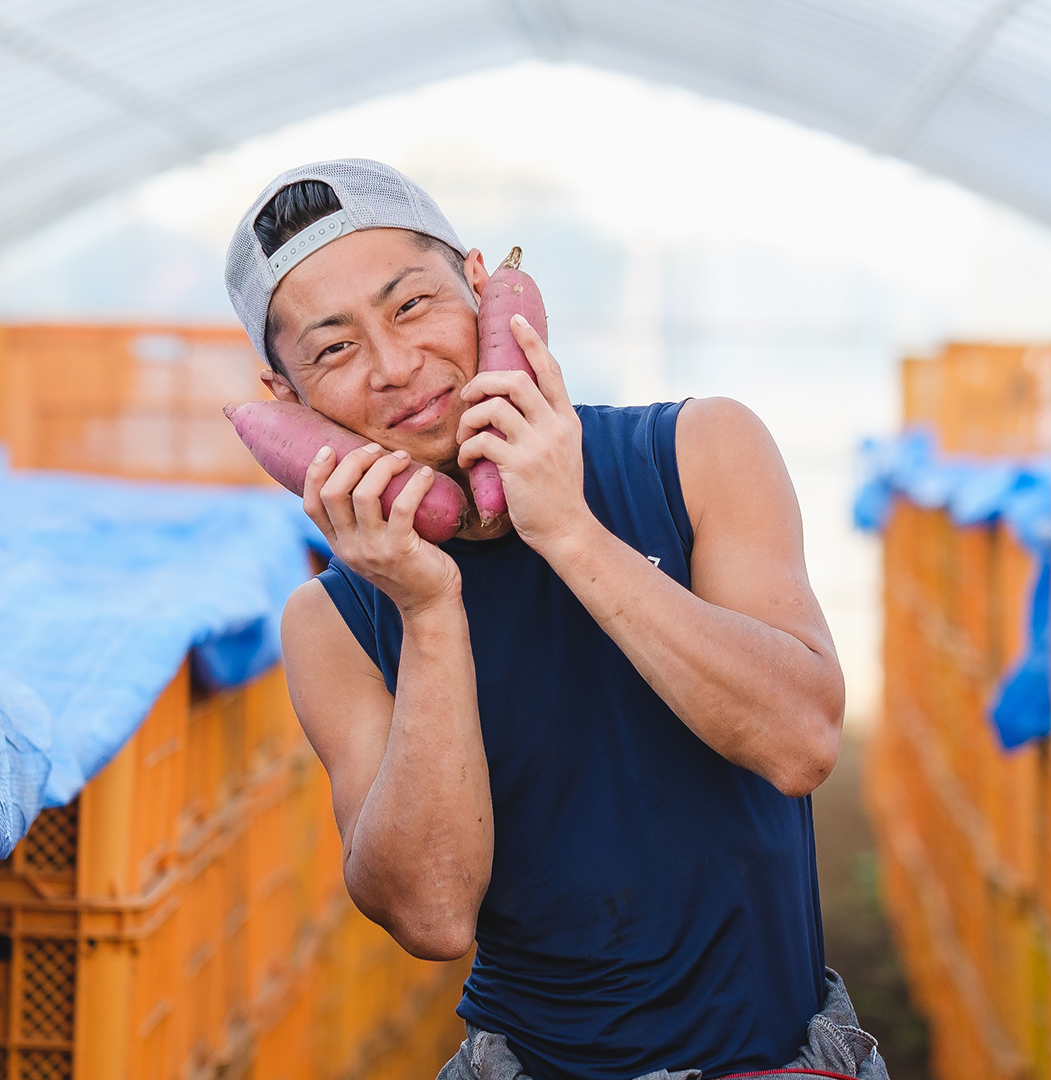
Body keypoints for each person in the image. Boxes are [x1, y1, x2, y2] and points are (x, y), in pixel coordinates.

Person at [224, 159, 885, 1080]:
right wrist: (428, 609)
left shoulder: (697, 450)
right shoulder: (331, 621)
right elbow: (431, 916)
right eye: (334, 349)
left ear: (484, 287)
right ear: (287, 397)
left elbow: (801, 741)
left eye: (413, 305)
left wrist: (568, 530)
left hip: (778, 1057)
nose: (396, 366)